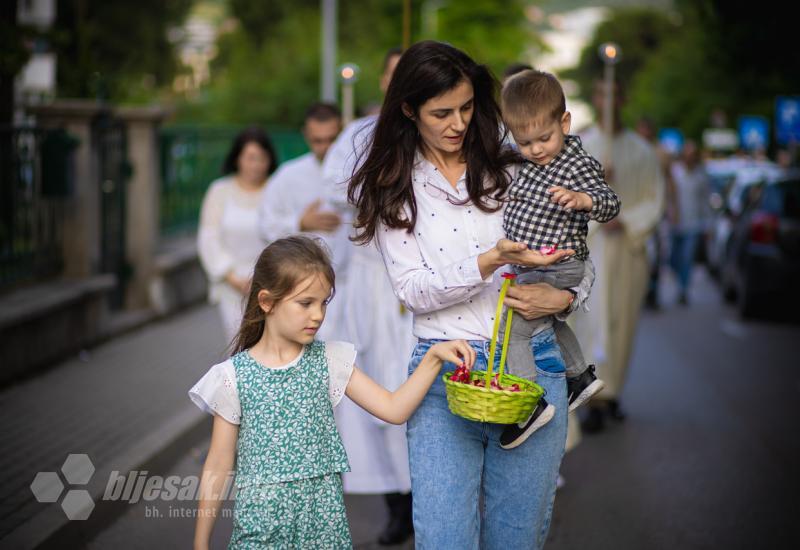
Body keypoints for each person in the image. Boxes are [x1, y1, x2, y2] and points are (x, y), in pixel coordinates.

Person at [348, 40, 594, 549]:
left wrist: (565, 301)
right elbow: (414, 290)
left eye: (466, 107)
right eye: (441, 112)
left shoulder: (516, 165)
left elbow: (578, 255)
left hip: (533, 372)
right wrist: (490, 258)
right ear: (409, 110)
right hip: (442, 376)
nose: (458, 123)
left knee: (516, 539)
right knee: (443, 540)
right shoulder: (394, 184)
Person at [189, 235, 475, 549]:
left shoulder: (331, 360)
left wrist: (432, 358)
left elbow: (394, 409)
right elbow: (218, 463)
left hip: (325, 536)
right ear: (267, 301)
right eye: (305, 303)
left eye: (323, 302)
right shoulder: (232, 377)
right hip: (259, 537)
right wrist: (201, 544)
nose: (318, 315)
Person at [322, 47, 418, 546]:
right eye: (393, 75)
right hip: (369, 283)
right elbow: (334, 185)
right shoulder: (358, 134)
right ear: (383, 81)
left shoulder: (433, 130)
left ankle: (429, 496)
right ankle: (394, 503)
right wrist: (374, 185)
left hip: (419, 286)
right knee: (376, 395)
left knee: (422, 392)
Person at [496, 69, 619, 448]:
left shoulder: (574, 162)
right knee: (544, 324)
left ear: (564, 122)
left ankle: (528, 403)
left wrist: (583, 200)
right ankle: (580, 376)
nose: (534, 149)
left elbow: (610, 201)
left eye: (543, 138)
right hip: (539, 263)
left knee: (511, 327)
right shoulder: (530, 162)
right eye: (524, 142)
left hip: (558, 263)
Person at [573, 79, 665, 432]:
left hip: (626, 251)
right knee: (590, 322)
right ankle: (592, 396)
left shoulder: (642, 151)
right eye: (601, 93)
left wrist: (624, 220)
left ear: (623, 97)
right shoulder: (582, 148)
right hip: (591, 251)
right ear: (595, 97)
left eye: (614, 94)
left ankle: (613, 393)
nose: (607, 100)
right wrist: (597, 194)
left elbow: (653, 199)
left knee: (621, 322)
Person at [197, 126, 277, 341]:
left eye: (262, 158)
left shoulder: (277, 190)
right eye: (250, 157)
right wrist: (233, 278)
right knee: (239, 346)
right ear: (238, 158)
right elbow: (209, 238)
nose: (256, 164)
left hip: (273, 286)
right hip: (232, 286)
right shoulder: (219, 191)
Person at [258, 101, 346, 278]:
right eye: (318, 141)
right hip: (304, 281)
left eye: (332, 139)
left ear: (342, 132)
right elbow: (265, 226)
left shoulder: (360, 173)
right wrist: (300, 223)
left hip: (352, 281)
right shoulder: (287, 176)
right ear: (306, 135)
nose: (326, 147)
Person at [668, 139, 710, 305]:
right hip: (675, 223)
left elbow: (705, 202)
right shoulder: (675, 172)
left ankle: (683, 289)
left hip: (693, 225)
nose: (689, 158)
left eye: (692, 155)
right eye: (687, 154)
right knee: (673, 259)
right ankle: (679, 279)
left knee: (687, 259)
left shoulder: (701, 176)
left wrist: (707, 226)